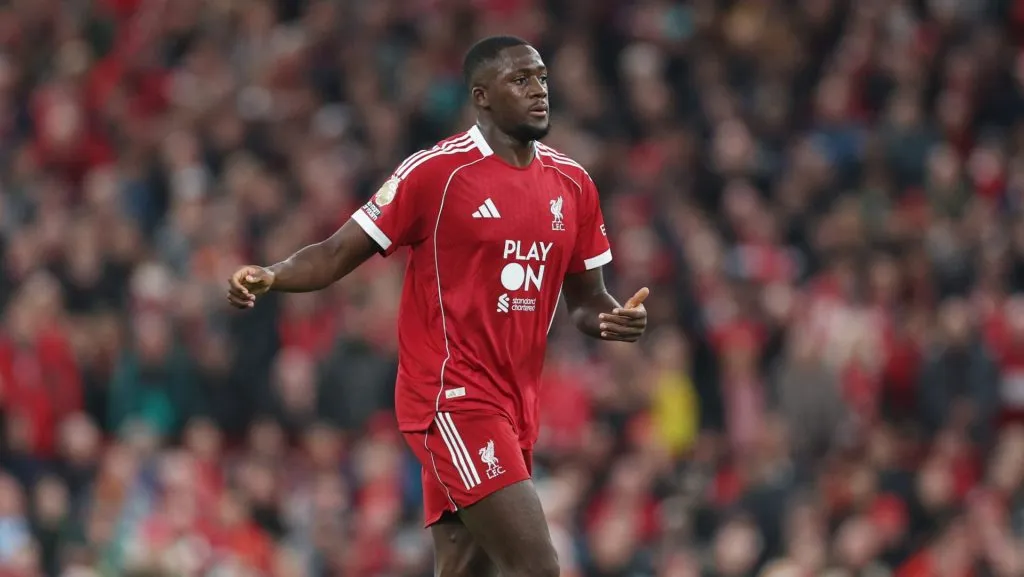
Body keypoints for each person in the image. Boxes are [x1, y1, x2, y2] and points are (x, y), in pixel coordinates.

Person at [226, 36, 649, 577]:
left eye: (542, 78)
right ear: (482, 96)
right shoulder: (436, 173)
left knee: (465, 569)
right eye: (520, 80)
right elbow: (334, 253)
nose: (539, 90)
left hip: (517, 404)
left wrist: (614, 319)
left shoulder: (573, 184)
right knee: (537, 566)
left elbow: (587, 302)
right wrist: (272, 275)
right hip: (452, 399)